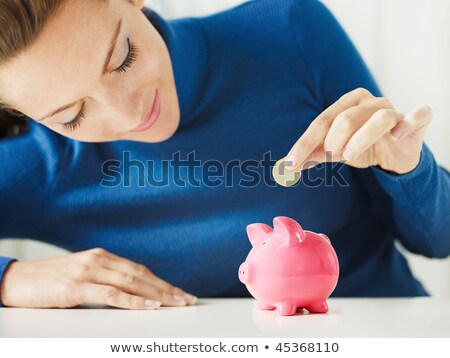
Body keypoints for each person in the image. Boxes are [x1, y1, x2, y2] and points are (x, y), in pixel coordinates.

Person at [0, 0, 449, 311]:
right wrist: (12, 279)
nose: (131, 113)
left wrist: (408, 168)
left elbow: (439, 240)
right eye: (72, 115)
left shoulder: (289, 32)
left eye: (123, 58)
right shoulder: (42, 164)